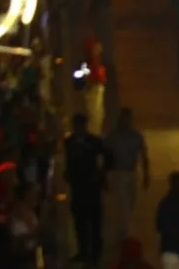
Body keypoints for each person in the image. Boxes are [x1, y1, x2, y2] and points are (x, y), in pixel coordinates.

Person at [64, 112, 107, 266]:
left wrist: (101, 175)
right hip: (77, 186)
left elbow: (108, 158)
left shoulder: (94, 141)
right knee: (79, 221)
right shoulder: (69, 142)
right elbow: (68, 160)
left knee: (95, 221)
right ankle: (83, 251)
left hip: (92, 186)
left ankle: (95, 254)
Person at [105, 107, 151, 242]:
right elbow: (106, 154)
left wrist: (146, 174)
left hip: (131, 173)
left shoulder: (136, 136)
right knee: (122, 206)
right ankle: (123, 235)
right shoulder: (113, 136)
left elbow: (144, 156)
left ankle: (123, 230)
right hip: (118, 173)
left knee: (130, 203)